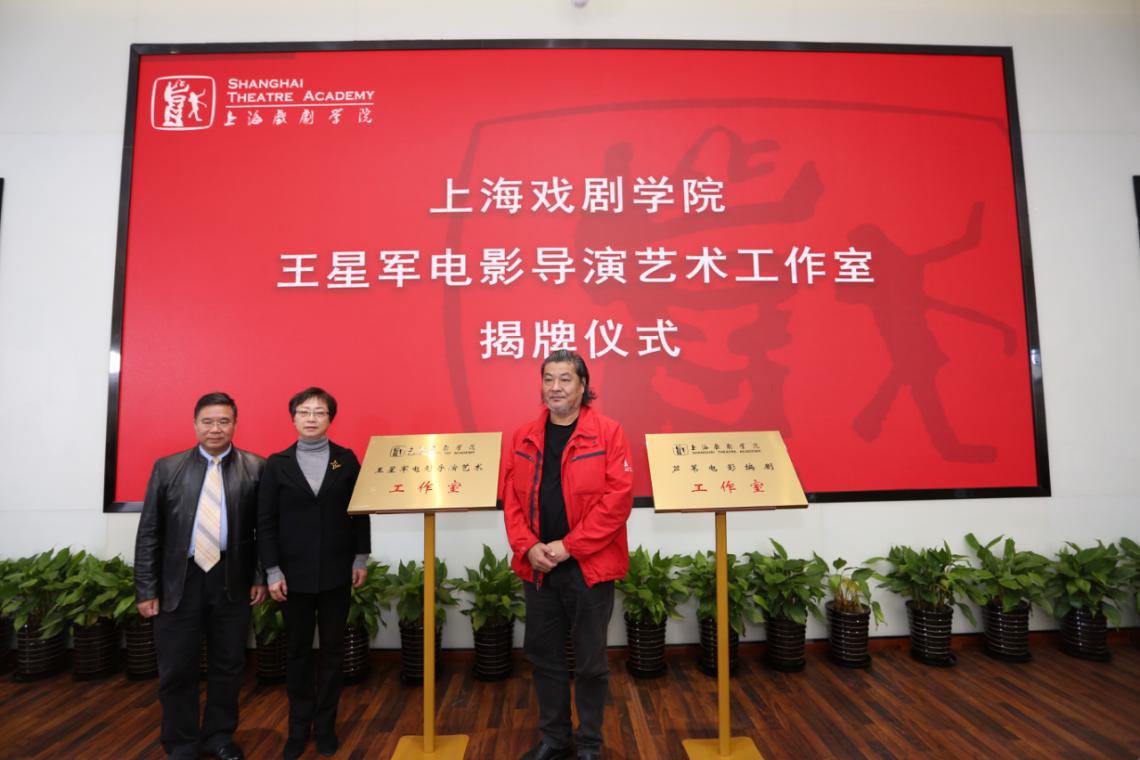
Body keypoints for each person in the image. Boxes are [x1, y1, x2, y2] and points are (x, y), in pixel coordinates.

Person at [503, 350, 634, 760]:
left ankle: (590, 744)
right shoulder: (524, 435)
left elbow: (617, 501)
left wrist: (569, 546)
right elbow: (511, 499)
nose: (555, 387)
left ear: (583, 386)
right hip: (539, 567)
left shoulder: (608, 432)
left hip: (588, 567)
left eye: (564, 379)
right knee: (545, 658)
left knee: (591, 662)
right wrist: (528, 546)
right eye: (548, 379)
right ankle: (555, 739)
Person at [134, 392, 267, 760]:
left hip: (231, 578)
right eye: (208, 421)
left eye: (224, 421)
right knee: (177, 667)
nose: (215, 428)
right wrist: (146, 588)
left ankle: (219, 737)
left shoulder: (256, 468)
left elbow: (264, 530)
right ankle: (182, 743)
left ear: (235, 424)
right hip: (179, 580)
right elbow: (149, 532)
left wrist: (258, 575)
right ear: (195, 424)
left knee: (229, 665)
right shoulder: (167, 468)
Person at [257, 387, 370, 760]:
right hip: (293, 576)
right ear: (293, 418)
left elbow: (359, 513)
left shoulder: (346, 460)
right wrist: (272, 570)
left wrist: (360, 559)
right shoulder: (277, 464)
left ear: (330, 419)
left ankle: (325, 727)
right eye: (304, 412)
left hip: (337, 572)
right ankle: (297, 728)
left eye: (319, 412)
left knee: (334, 653)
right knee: (298, 653)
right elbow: (266, 522)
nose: (311, 418)